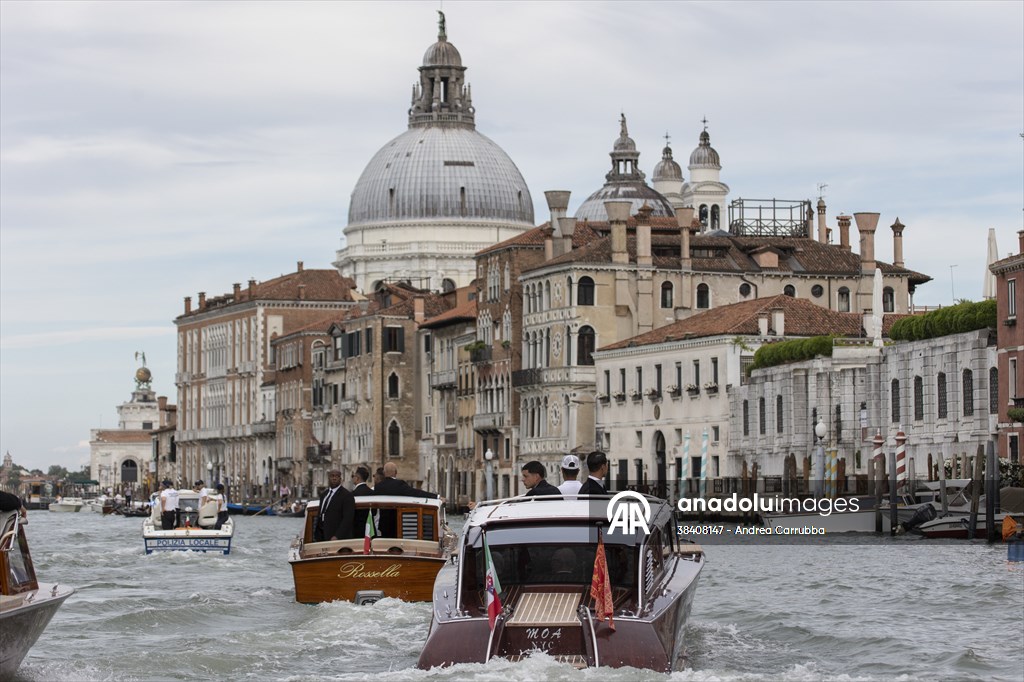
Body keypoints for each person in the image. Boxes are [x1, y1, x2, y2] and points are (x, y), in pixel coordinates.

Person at [373, 462, 440, 537]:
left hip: (383, 525)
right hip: (398, 523)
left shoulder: (378, 487)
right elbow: (416, 493)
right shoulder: (399, 484)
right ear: (396, 472)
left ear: (384, 473)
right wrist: (436, 496)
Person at [314, 470, 355, 542]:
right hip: (322, 535)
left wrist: (337, 536)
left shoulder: (347, 495)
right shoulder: (324, 495)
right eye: (332, 476)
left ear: (340, 479)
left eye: (337, 476)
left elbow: (348, 519)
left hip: (336, 537)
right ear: (328, 478)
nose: (334, 478)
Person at [351, 466, 373, 536]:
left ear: (357, 478)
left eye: (353, 476)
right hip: (370, 529)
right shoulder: (372, 492)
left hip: (356, 529)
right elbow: (374, 512)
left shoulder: (353, 494)